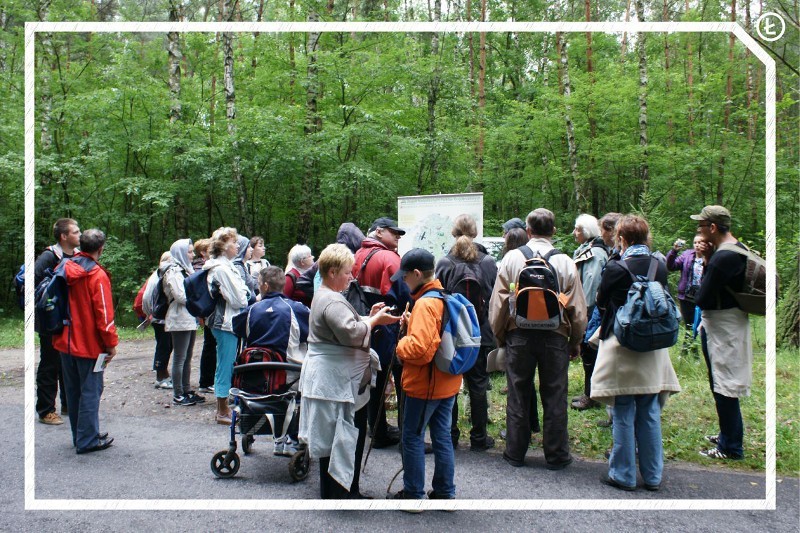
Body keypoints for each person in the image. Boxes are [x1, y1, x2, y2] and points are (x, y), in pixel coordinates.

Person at [298, 243, 400, 499]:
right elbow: (351, 333)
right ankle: (340, 493)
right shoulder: (331, 299)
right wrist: (374, 321)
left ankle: (342, 490)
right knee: (341, 435)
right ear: (332, 272)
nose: (351, 277)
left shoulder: (327, 295)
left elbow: (347, 325)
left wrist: (368, 316)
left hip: (335, 379)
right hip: (335, 382)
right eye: (346, 272)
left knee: (342, 434)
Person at [488, 208, 587, 469]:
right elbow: (577, 307)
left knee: (518, 393)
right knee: (555, 395)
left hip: (518, 336)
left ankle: (515, 453)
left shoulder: (511, 258)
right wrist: (575, 340)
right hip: (555, 336)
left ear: (528, 231)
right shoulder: (565, 261)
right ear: (554, 231)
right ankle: (556, 456)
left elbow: (498, 303)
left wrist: (500, 336)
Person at [590, 214, 681, 491]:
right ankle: (653, 476)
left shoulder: (616, 267)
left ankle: (624, 474)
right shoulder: (659, 265)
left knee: (623, 410)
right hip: (653, 347)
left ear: (622, 238)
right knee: (650, 411)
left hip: (622, 345)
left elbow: (602, 303)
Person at [392, 248, 461, 504]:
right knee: (442, 436)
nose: (402, 280)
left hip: (425, 385)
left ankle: (413, 495)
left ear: (417, 274)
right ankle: (445, 493)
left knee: (411, 436)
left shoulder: (424, 303)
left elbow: (420, 350)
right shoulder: (444, 295)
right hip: (448, 382)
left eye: (405, 276)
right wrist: (412, 325)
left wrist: (399, 345)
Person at [692, 205, 752, 461]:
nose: (698, 230)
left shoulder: (723, 257)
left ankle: (731, 447)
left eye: (701, 226)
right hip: (728, 322)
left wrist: (707, 262)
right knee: (721, 380)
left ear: (713, 228)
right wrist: (707, 259)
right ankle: (727, 434)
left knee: (724, 384)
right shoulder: (736, 249)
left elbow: (702, 297)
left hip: (723, 327)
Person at [52, 229, 118, 454]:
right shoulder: (96, 275)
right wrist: (111, 344)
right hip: (89, 345)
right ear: (101, 249)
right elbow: (104, 315)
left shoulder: (64, 267)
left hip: (65, 342)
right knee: (91, 391)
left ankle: (80, 436)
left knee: (72, 391)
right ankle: (87, 440)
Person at [435, 214, 497, 451]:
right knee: (479, 386)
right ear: (475, 233)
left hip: (451, 334)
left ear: (453, 233)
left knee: (450, 384)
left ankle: (450, 436)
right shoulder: (488, 263)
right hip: (479, 332)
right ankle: (479, 438)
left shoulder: (444, 263)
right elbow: (491, 297)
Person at [232, 266, 309, 456]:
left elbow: (237, 328)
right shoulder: (296, 309)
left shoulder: (251, 311)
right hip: (288, 373)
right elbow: (309, 333)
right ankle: (290, 437)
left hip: (254, 373)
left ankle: (261, 430)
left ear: (265, 286)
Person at [352, 217, 411, 448]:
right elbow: (406, 293)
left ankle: (377, 432)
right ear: (378, 232)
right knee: (402, 378)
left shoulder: (357, 255)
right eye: (393, 232)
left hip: (368, 323)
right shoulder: (389, 258)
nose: (397, 236)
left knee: (375, 377)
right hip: (391, 325)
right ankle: (407, 437)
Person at [34, 218, 80, 425]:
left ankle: (68, 403)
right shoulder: (48, 256)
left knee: (67, 363)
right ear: (64, 236)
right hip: (50, 320)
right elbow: (33, 281)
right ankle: (45, 411)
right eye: (76, 232)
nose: (79, 235)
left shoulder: (78, 256)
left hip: (69, 319)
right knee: (50, 363)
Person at [204, 227, 249, 424]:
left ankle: (225, 407)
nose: (237, 245)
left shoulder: (226, 266)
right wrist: (246, 295)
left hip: (229, 321)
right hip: (225, 323)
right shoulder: (221, 269)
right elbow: (240, 298)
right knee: (225, 364)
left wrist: (245, 294)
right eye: (234, 242)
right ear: (223, 247)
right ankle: (222, 411)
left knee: (227, 363)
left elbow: (243, 293)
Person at [570, 214, 609, 411]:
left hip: (591, 311)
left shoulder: (595, 253)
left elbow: (591, 288)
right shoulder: (588, 249)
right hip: (590, 310)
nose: (574, 233)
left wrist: (581, 314)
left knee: (589, 353)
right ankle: (592, 392)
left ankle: (591, 395)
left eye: (578, 229)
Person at [163, 239, 203, 406]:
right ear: (180, 252)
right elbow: (180, 295)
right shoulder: (172, 271)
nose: (192, 255)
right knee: (180, 357)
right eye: (189, 252)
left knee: (187, 356)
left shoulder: (185, 269)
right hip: (179, 318)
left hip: (188, 317)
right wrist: (198, 299)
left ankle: (186, 390)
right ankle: (178, 394)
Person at [666, 235, 709, 356]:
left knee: (697, 326)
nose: (697, 245)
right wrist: (674, 251)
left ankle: (686, 353)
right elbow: (671, 266)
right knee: (690, 325)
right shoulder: (687, 255)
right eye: (695, 242)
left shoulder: (710, 257)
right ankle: (691, 354)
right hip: (686, 297)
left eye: (700, 242)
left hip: (702, 298)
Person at [143, 251, 174, 389]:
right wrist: (150, 313)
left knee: (167, 346)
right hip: (160, 318)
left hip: (161, 318)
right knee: (164, 347)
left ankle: (164, 374)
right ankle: (160, 377)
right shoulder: (158, 276)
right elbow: (146, 297)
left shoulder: (159, 275)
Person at [193, 238, 217, 394]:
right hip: (207, 312)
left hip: (208, 312)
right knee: (209, 346)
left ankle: (207, 380)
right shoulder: (200, 268)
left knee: (210, 345)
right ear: (203, 252)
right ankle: (205, 381)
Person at [232, 234, 258, 301]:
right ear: (242, 249)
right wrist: (257, 299)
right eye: (248, 247)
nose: (252, 249)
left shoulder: (242, 265)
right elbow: (242, 294)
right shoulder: (238, 267)